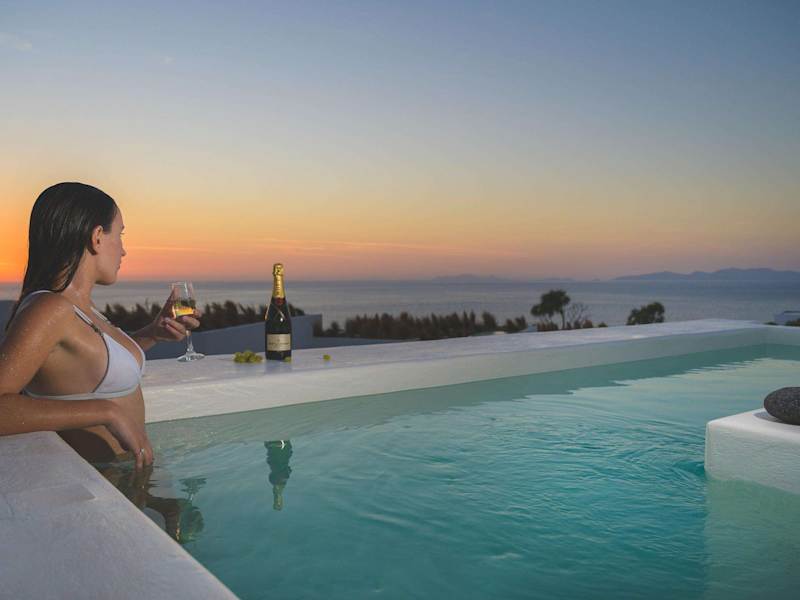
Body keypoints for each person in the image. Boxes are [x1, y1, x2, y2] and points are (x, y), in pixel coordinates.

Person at [0, 182, 200, 469]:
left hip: (125, 474)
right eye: (119, 235)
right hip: (99, 479)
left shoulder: (81, 307)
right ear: (96, 237)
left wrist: (153, 332)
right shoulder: (50, 309)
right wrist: (105, 412)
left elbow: (92, 364)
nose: (123, 251)